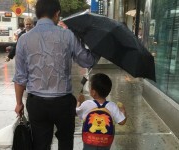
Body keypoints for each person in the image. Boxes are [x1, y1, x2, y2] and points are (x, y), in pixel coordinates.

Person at [13, 0, 99, 149]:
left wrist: (19, 103)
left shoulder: (24, 40)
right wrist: (92, 45)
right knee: (66, 142)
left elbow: (20, 77)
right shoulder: (68, 36)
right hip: (63, 104)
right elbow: (87, 61)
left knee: (40, 144)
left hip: (37, 104)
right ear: (57, 13)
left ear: (37, 14)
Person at [76, 73, 127, 150]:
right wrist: (123, 111)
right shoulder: (112, 106)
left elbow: (76, 112)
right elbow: (122, 122)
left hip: (89, 139)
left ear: (93, 92)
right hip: (105, 141)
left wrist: (79, 102)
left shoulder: (86, 104)